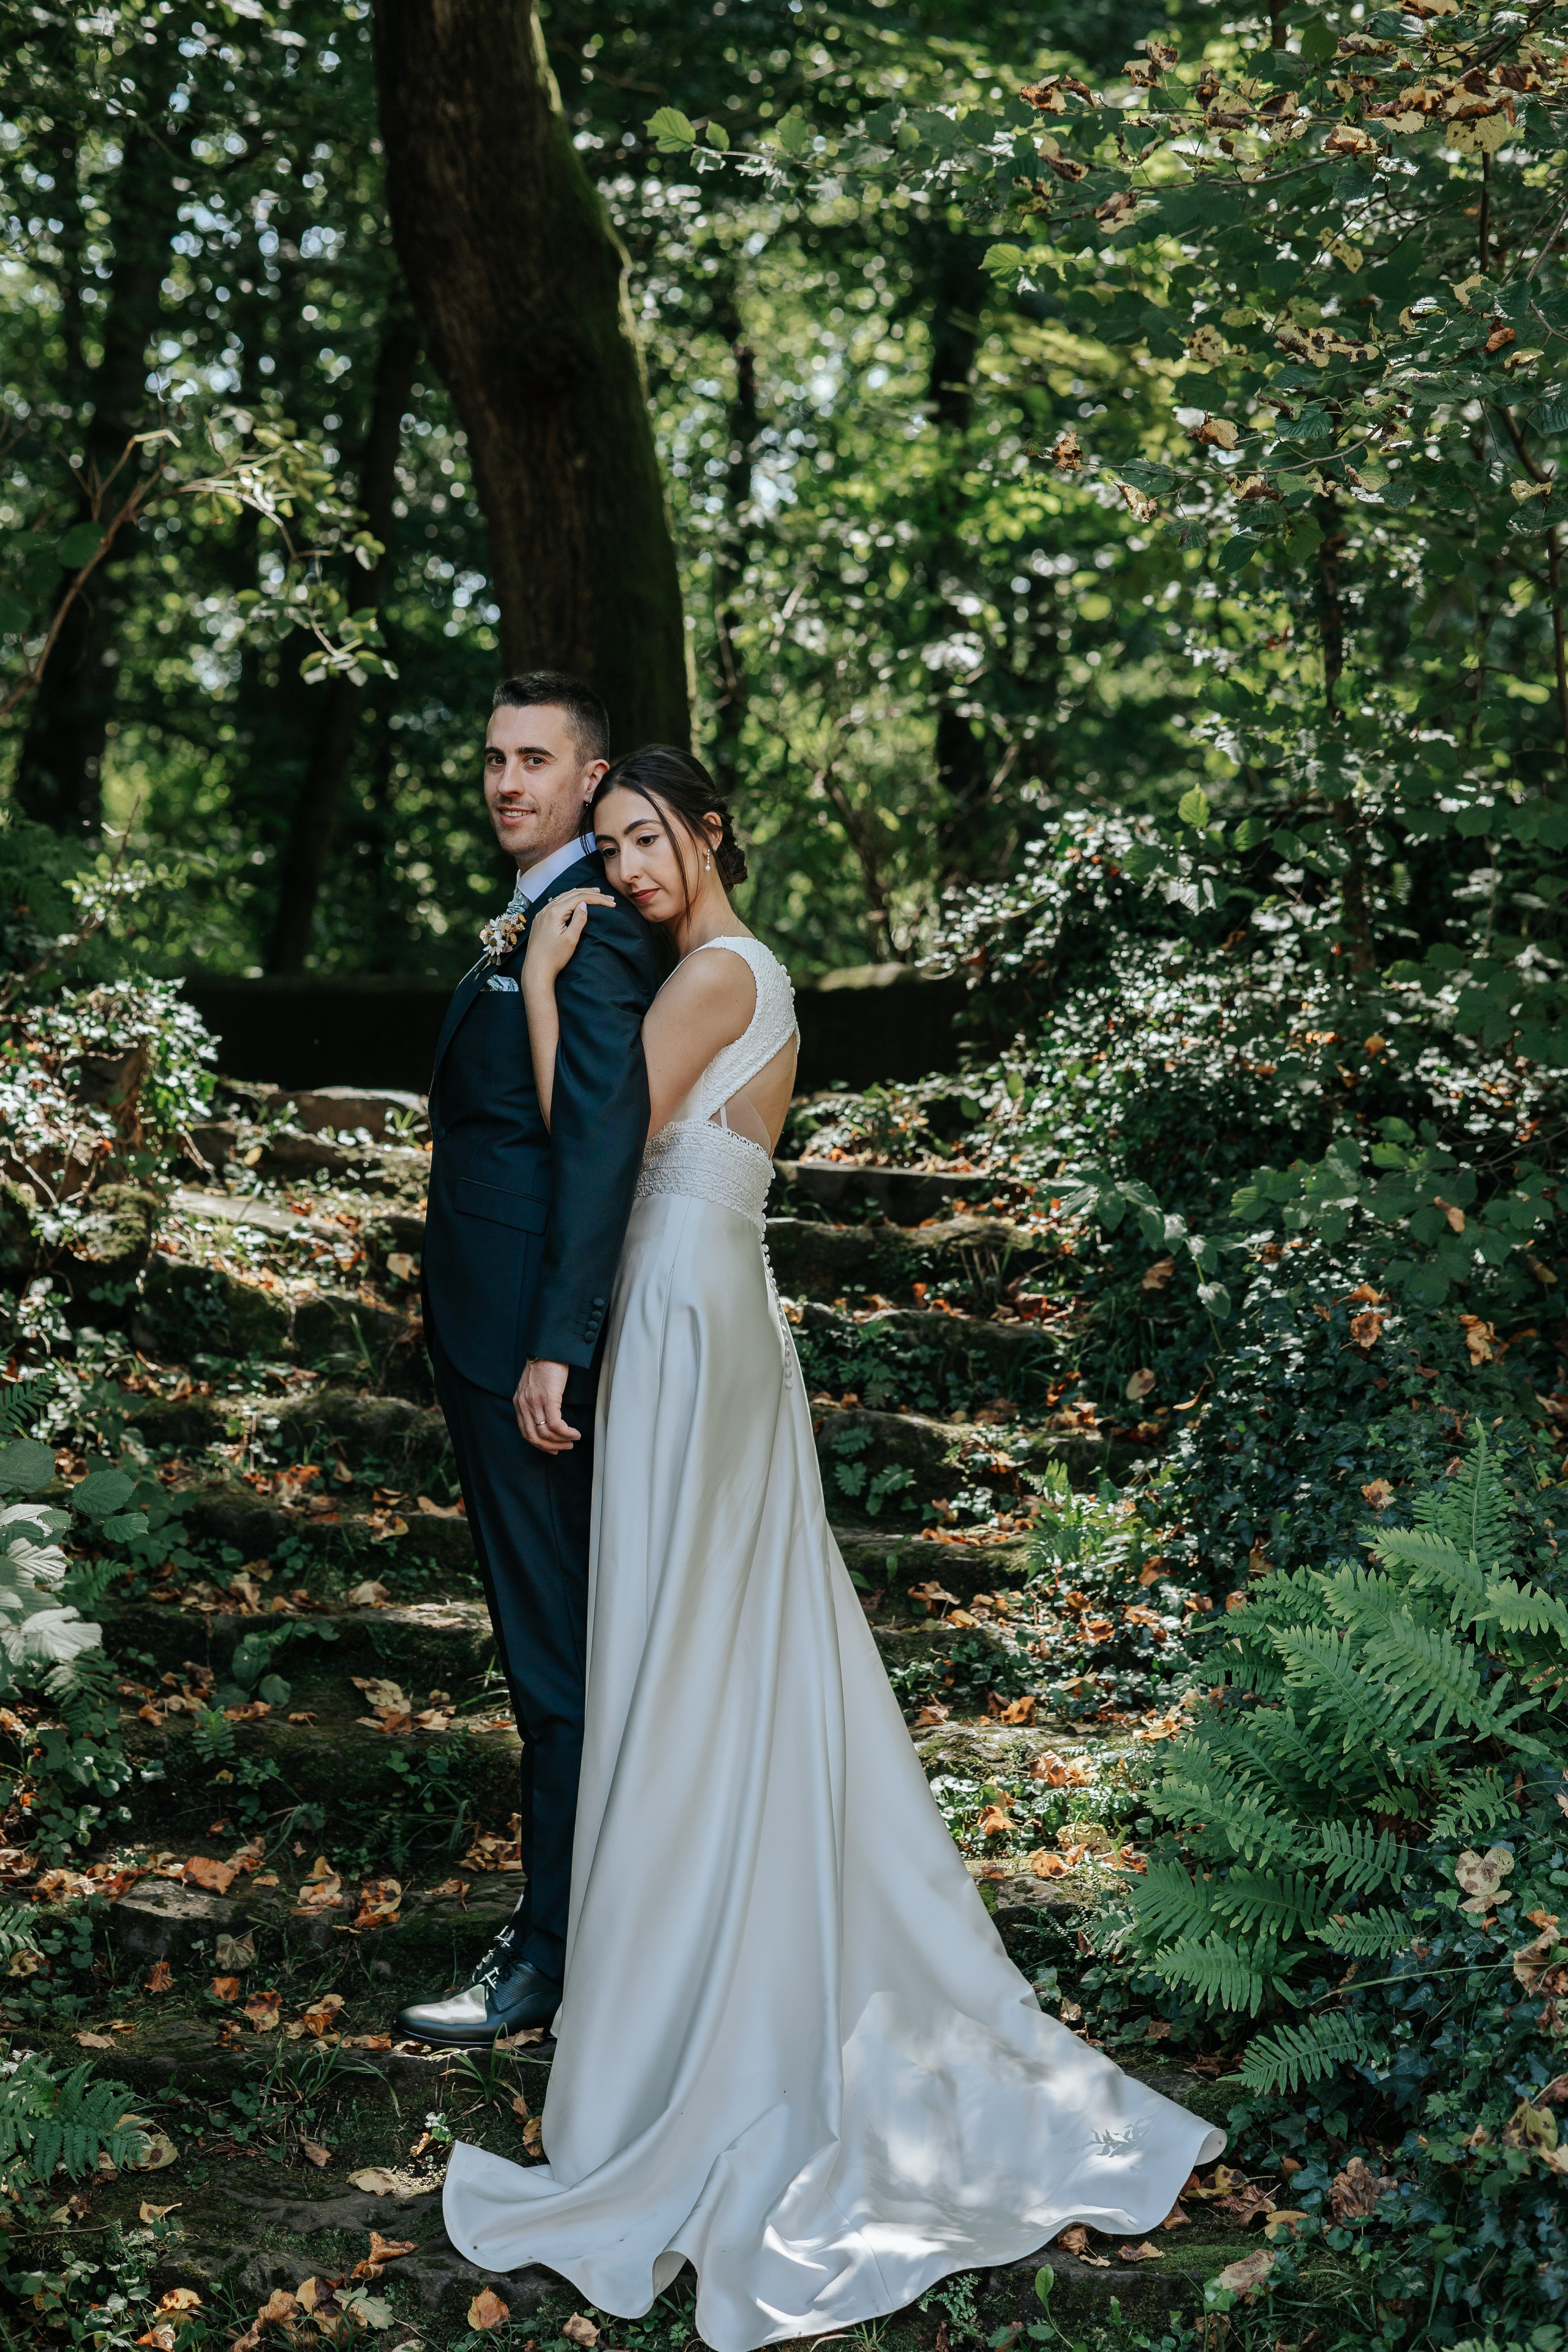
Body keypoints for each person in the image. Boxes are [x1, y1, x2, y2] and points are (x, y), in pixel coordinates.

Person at [440, 745, 1224, 2352]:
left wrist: (536, 984)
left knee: (685, 1653)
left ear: (709, 833)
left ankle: (694, 2031)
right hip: (711, 1304)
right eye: (611, 847)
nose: (631, 869)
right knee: (707, 1653)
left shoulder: (716, 975)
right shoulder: (738, 972)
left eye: (647, 837)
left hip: (677, 1309)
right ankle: (698, 1956)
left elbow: (590, 1128)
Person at [399, 674, 660, 2048]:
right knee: (544, 1646)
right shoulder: (530, 913)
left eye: (535, 761)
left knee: (551, 1660)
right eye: (493, 757)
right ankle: (572, 1925)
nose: (507, 782)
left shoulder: (595, 929)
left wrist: (561, 1342)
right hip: (484, 1323)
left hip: (532, 1354)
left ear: (589, 775)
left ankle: (549, 1956)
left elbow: (598, 1149)